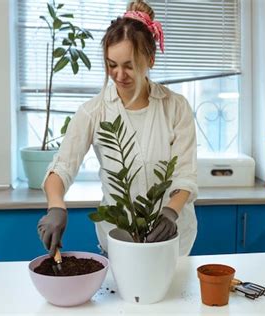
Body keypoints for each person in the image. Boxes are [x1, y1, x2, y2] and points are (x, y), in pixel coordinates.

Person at [37, 0, 198, 258]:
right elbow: (62, 167)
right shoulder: (94, 111)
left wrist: (171, 212)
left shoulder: (175, 107)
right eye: (112, 65)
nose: (119, 74)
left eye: (129, 65)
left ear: (151, 60)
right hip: (119, 239)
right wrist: (56, 207)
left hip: (171, 237)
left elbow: (185, 174)